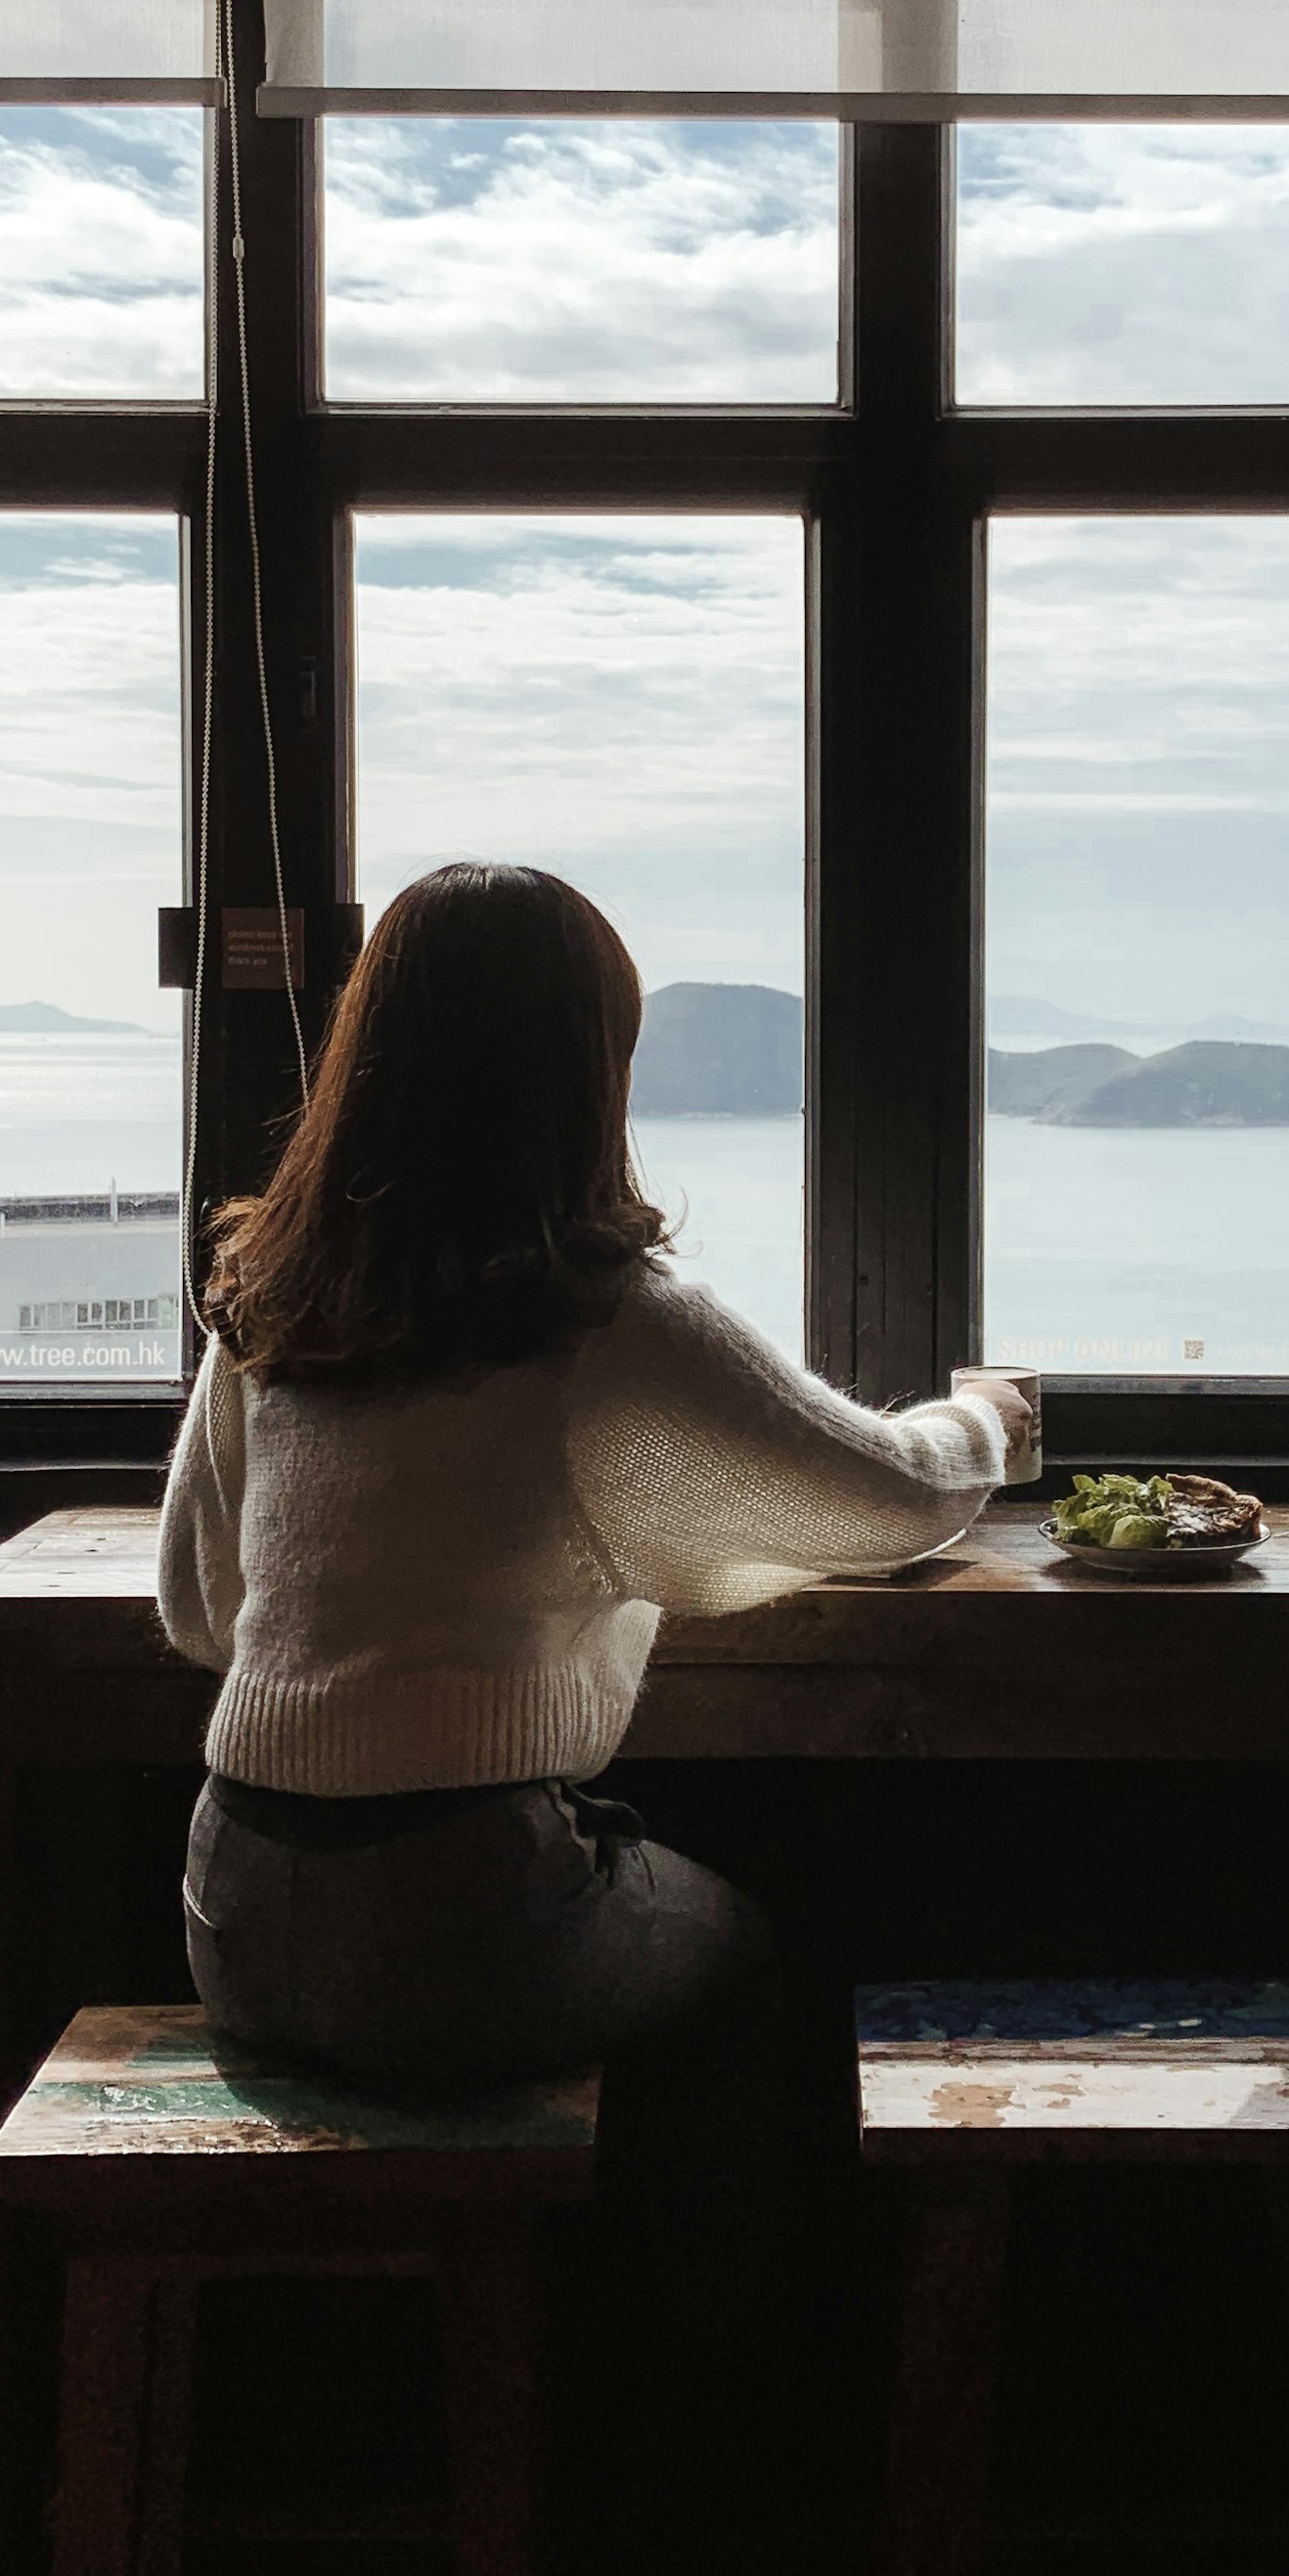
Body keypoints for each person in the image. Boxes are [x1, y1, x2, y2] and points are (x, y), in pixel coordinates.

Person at [156, 859, 1028, 2098]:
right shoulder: (603, 1312)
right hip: (459, 1917)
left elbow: (202, 1614)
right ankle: (710, 2301)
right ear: (590, 1067)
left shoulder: (273, 1298)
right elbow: (893, 1498)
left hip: (227, 1907)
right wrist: (980, 1419)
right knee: (747, 1957)